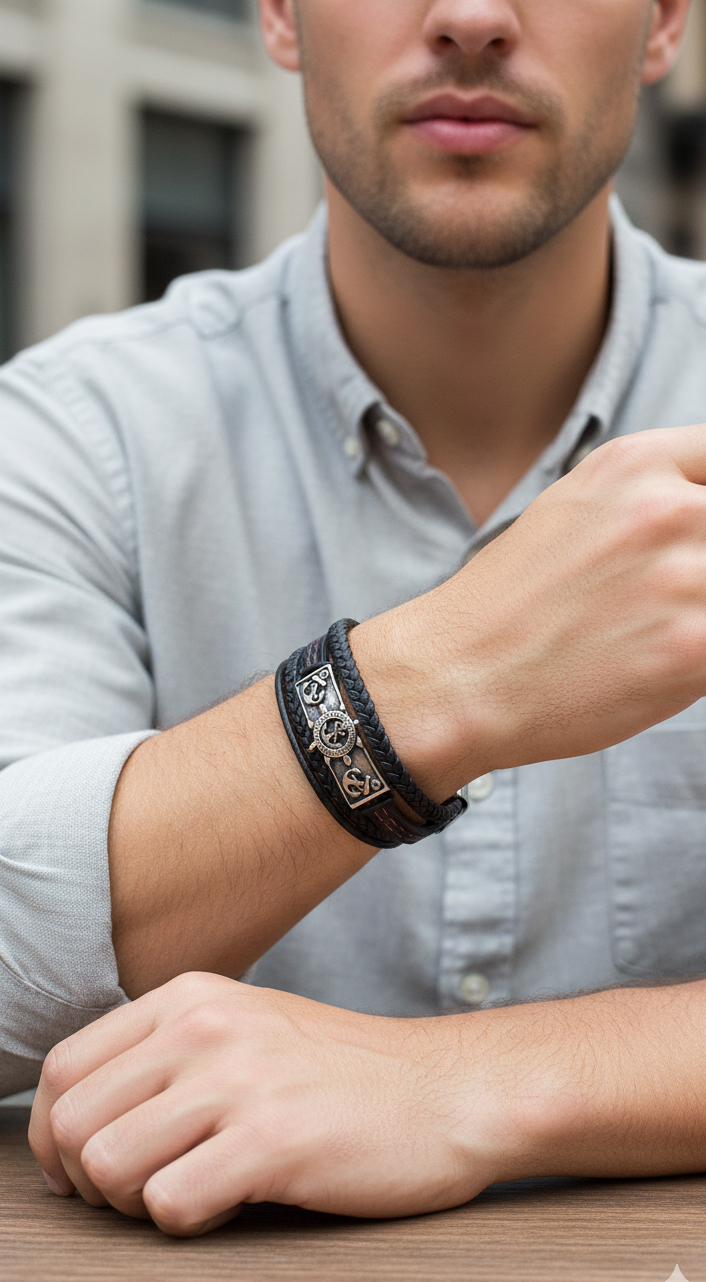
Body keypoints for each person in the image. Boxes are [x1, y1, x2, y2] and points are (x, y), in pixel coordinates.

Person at [2, 0, 705, 1238]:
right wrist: (447, 677)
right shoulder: (70, 434)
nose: (472, 17)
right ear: (279, 13)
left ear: (662, 23)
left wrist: (464, 1083)